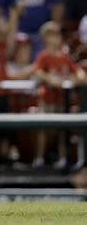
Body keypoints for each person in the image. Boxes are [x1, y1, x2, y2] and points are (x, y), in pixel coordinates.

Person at [32, 21, 87, 167]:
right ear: (45, 38)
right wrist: (50, 79)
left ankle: (63, 158)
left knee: (63, 131)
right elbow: (37, 72)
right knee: (43, 129)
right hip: (47, 98)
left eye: (56, 34)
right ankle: (39, 158)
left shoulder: (64, 56)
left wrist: (79, 76)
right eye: (51, 35)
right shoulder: (43, 56)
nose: (55, 38)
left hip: (62, 99)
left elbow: (76, 71)